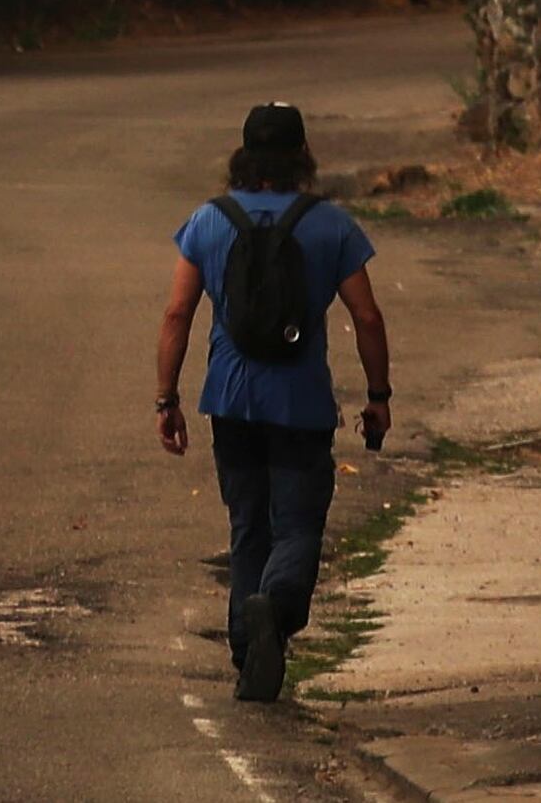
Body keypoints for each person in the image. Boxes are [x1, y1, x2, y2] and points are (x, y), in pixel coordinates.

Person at [155, 98, 390, 706]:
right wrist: (378, 396)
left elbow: (178, 312)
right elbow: (366, 316)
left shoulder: (208, 221)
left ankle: (246, 654)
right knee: (299, 522)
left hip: (230, 401)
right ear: (301, 158)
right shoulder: (329, 224)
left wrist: (166, 399)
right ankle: (277, 607)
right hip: (301, 404)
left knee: (247, 526)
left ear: (243, 155)